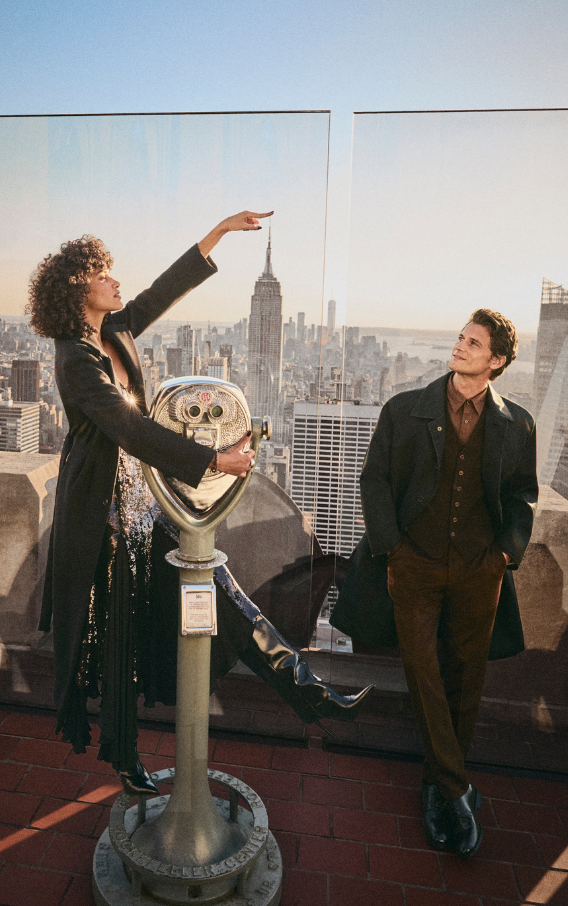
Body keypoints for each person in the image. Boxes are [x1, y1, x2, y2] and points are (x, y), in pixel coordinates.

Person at [29, 211, 373, 797]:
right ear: (77, 289)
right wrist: (215, 460)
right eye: (103, 273)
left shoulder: (113, 331)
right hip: (104, 517)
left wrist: (214, 236)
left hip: (142, 500)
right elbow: (131, 431)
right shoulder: (75, 358)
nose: (116, 280)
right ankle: (125, 757)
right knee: (120, 640)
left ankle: (309, 692)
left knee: (220, 588)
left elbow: (160, 291)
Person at [330, 309, 537, 860]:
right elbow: (374, 480)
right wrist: (393, 549)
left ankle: (437, 785)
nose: (460, 347)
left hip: (479, 570)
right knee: (422, 669)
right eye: (460, 338)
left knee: (466, 677)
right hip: (412, 566)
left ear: (496, 362)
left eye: (474, 343)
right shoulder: (404, 410)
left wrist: (504, 555)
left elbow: (522, 498)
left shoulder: (518, 424)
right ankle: (456, 790)